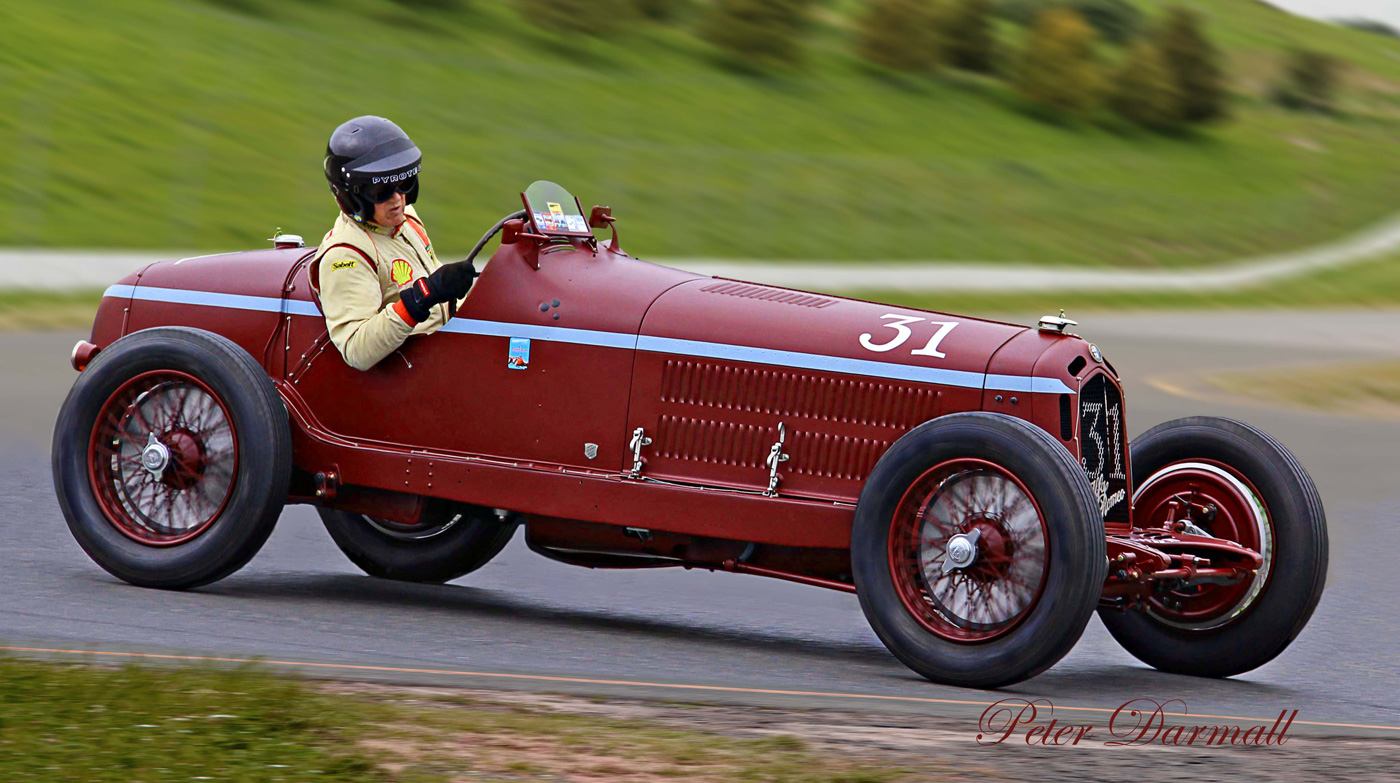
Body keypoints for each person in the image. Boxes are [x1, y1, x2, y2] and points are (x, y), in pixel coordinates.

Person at [312, 116, 477, 371]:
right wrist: (424, 296)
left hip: (446, 356)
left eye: (404, 183)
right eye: (381, 192)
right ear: (351, 196)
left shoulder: (407, 220)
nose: (398, 199)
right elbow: (357, 349)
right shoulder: (345, 255)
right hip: (413, 376)